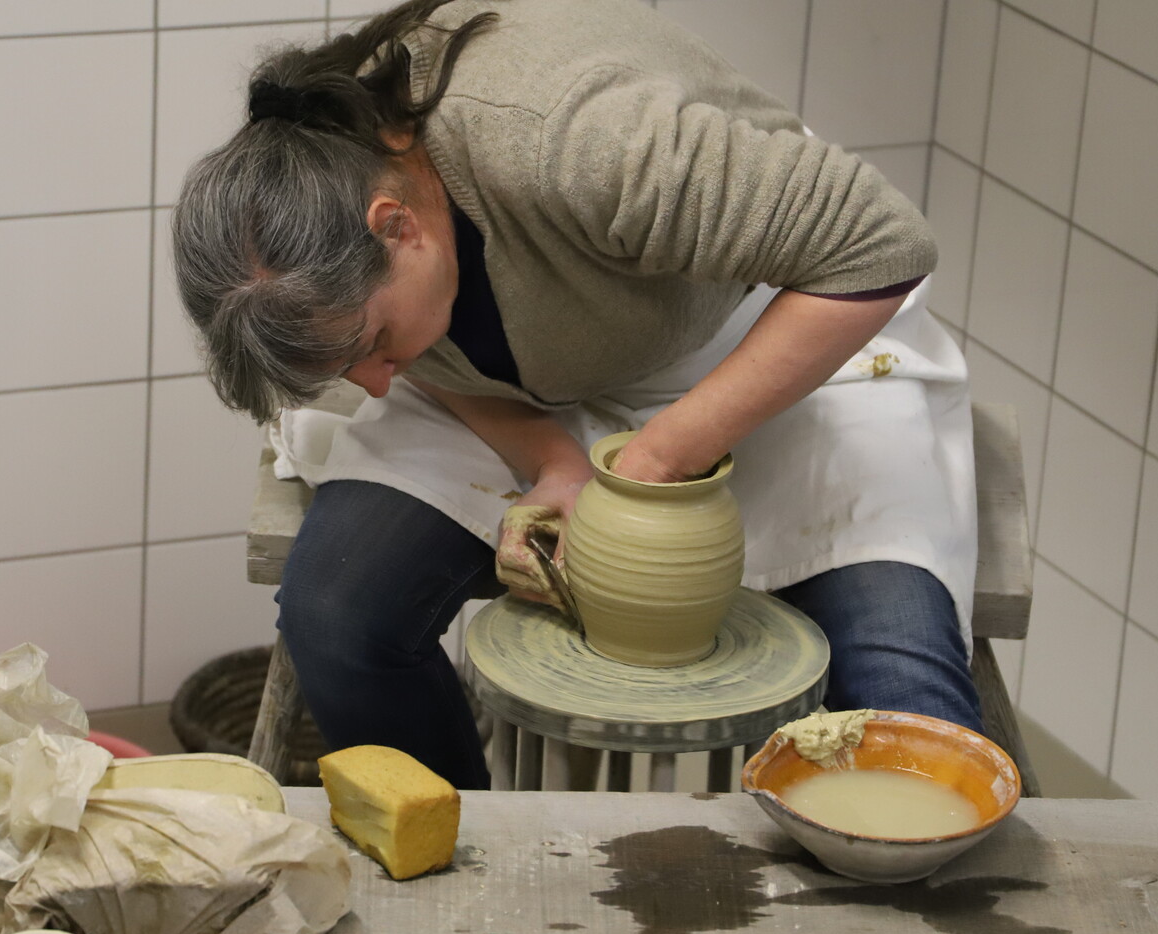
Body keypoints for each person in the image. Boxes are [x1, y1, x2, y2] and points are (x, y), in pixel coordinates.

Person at [171, 0, 981, 790]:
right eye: (351, 366)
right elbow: (418, 359)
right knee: (338, 616)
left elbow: (881, 243)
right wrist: (552, 461)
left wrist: (657, 459)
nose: (377, 381)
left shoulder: (576, 137)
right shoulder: (321, 173)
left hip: (768, 329)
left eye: (375, 344)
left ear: (397, 226)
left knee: (904, 699)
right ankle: (458, 856)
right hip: (521, 381)